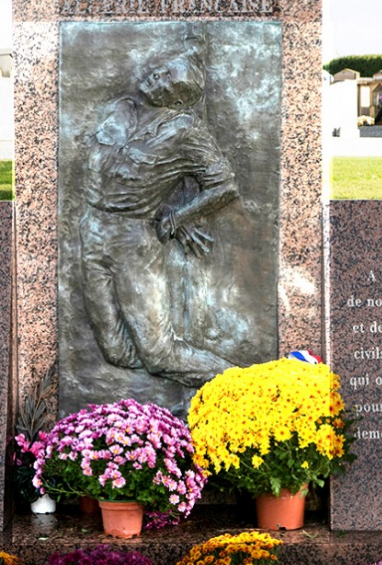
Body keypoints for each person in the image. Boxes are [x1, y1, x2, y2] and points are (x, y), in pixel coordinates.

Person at [78, 45, 240, 388]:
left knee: (158, 354)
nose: (156, 75)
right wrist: (161, 204)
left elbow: (224, 186)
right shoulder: (119, 108)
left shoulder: (186, 131)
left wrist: (177, 218)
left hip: (133, 242)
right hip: (91, 230)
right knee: (115, 352)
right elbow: (110, 170)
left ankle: (243, 386)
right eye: (162, 69)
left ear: (179, 100)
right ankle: (147, 416)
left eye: (168, 77)